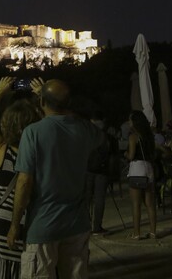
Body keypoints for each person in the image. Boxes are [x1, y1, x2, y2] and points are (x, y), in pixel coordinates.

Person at [7, 79, 106, 278]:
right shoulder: (84, 130)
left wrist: (15, 224)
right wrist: (61, 106)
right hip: (77, 225)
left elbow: (24, 182)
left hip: (43, 226)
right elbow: (96, 133)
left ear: (41, 101)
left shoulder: (32, 133)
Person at [0, 77, 42, 279]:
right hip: (35, 227)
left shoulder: (2, 152)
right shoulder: (42, 154)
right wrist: (43, 97)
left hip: (4, 228)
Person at [125, 110, 157, 240]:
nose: (129, 122)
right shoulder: (149, 135)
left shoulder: (133, 136)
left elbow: (131, 155)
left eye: (130, 120)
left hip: (137, 170)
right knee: (150, 204)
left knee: (136, 204)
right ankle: (153, 232)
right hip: (148, 169)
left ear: (135, 121)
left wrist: (125, 155)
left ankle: (136, 233)